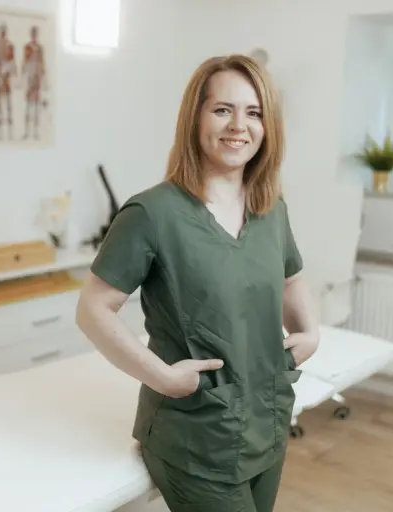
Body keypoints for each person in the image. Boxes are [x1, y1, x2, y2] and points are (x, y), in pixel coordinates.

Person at [75, 54, 320, 512]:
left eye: (253, 113)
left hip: (265, 421)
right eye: (222, 109)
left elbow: (291, 276)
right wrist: (162, 377)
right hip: (195, 435)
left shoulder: (271, 208)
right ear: (196, 117)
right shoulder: (152, 213)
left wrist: (311, 330)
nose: (238, 126)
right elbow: (92, 309)